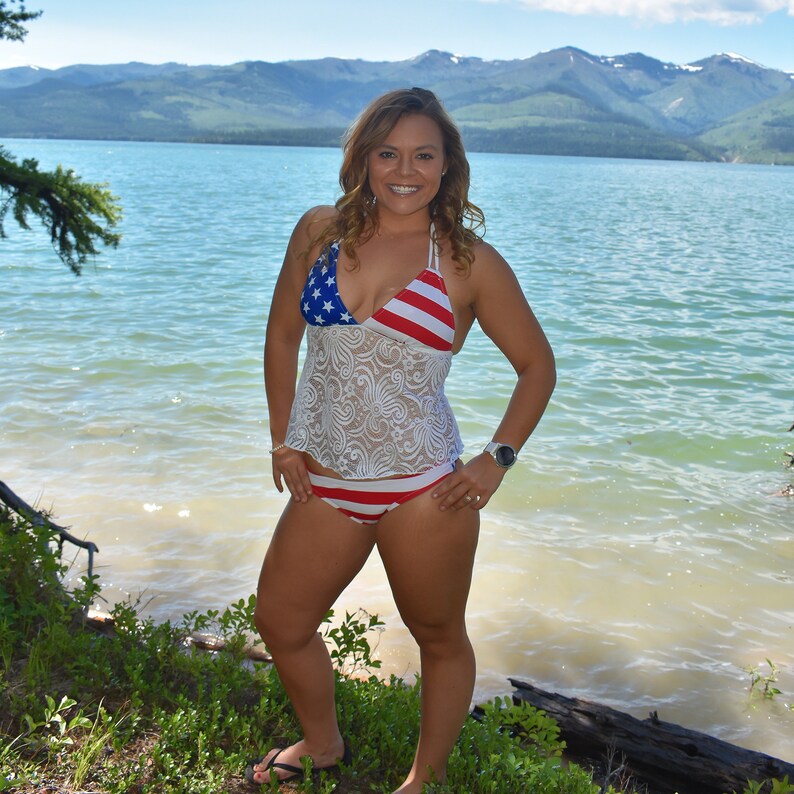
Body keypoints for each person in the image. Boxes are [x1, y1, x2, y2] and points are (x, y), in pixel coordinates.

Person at [246, 87, 556, 792]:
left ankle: (422, 781)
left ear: (448, 167)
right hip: (326, 481)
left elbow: (538, 367)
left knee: (439, 639)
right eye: (388, 152)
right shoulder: (318, 232)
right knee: (281, 621)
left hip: (424, 491)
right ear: (363, 158)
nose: (404, 169)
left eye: (424, 154)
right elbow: (281, 335)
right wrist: (282, 439)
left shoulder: (468, 262)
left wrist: (495, 458)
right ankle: (323, 744)